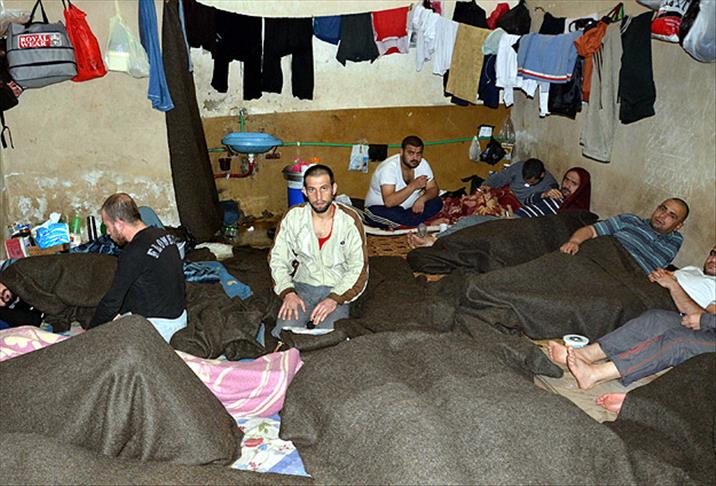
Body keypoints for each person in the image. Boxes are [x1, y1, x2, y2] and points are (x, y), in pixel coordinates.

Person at [547, 246, 716, 390]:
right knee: (656, 318)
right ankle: (586, 354)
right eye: (713, 253)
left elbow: (705, 314)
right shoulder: (694, 271)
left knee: (680, 341)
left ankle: (595, 374)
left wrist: (704, 320)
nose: (713, 259)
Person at [269, 164, 368, 338]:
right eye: (312, 190)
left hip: (337, 288)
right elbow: (277, 259)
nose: (319, 197)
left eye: (324, 188)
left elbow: (358, 268)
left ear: (334, 189)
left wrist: (334, 299)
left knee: (328, 337)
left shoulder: (349, 221)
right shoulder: (293, 217)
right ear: (304, 192)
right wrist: (288, 292)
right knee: (283, 334)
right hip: (303, 287)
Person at [408, 167, 591, 248]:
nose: (567, 185)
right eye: (566, 179)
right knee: (470, 221)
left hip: (524, 226)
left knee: (477, 230)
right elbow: (528, 201)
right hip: (513, 218)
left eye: (573, 183)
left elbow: (556, 228)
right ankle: (436, 240)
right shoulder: (553, 194)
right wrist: (543, 195)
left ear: (581, 189)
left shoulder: (573, 211)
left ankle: (435, 242)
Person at [89, 193, 186, 342]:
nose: (108, 232)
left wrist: (89, 334)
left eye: (107, 226)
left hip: (160, 328)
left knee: (100, 342)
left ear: (119, 223)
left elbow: (112, 301)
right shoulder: (162, 234)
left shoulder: (133, 252)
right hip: (180, 317)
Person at [560, 198, 688, 273]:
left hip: (630, 281)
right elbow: (591, 230)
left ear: (678, 226)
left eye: (672, 216)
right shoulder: (629, 220)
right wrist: (574, 241)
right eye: (662, 209)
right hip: (603, 262)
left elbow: (660, 269)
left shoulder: (675, 241)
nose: (662, 216)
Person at [364, 135, 443, 228]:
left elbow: (433, 188)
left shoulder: (422, 164)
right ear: (401, 152)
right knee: (394, 215)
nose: (415, 158)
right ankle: (424, 224)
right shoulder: (389, 168)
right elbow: (389, 202)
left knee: (437, 202)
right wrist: (413, 186)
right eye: (410, 153)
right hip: (382, 209)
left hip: (410, 209)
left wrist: (422, 199)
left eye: (418, 154)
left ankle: (414, 222)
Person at [481, 157, 558, 204]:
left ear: (541, 175)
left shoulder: (549, 185)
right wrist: (487, 185)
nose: (527, 183)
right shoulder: (519, 167)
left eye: (531, 182)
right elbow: (501, 177)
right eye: (525, 180)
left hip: (521, 207)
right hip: (506, 196)